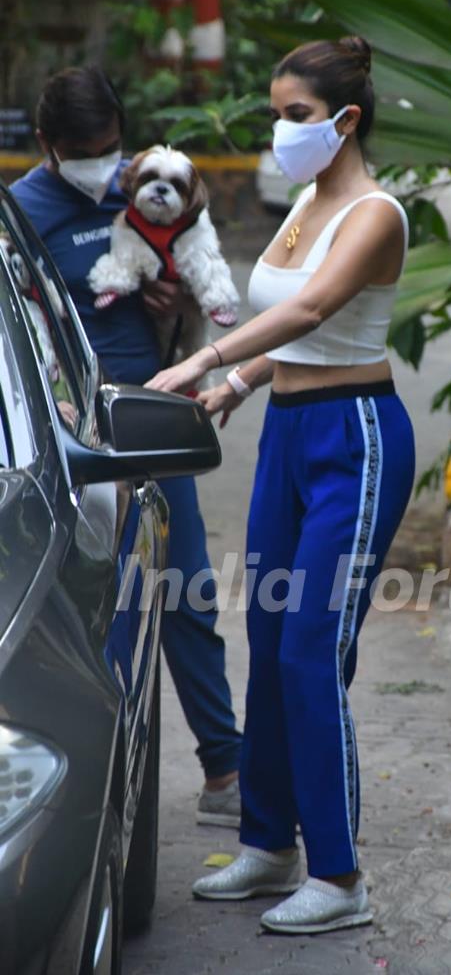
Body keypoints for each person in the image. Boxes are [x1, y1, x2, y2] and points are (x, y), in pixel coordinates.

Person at [146, 36, 416, 934]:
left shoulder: (375, 213)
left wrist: (204, 358)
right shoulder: (305, 200)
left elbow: (309, 309)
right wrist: (240, 383)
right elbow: (292, 334)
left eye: (296, 115)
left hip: (357, 438)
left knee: (310, 649)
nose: (279, 129)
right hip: (289, 432)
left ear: (345, 121)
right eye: (276, 112)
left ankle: (341, 880)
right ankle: (269, 845)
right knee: (266, 632)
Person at [11, 66, 243, 827]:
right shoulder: (23, 212)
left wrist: (170, 301)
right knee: (87, 611)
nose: (99, 163)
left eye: (108, 147)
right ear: (46, 145)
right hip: (69, 435)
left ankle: (223, 769)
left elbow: (187, 266)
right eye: (82, 151)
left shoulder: (142, 187)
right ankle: (91, 789)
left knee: (189, 594)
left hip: (152, 419)